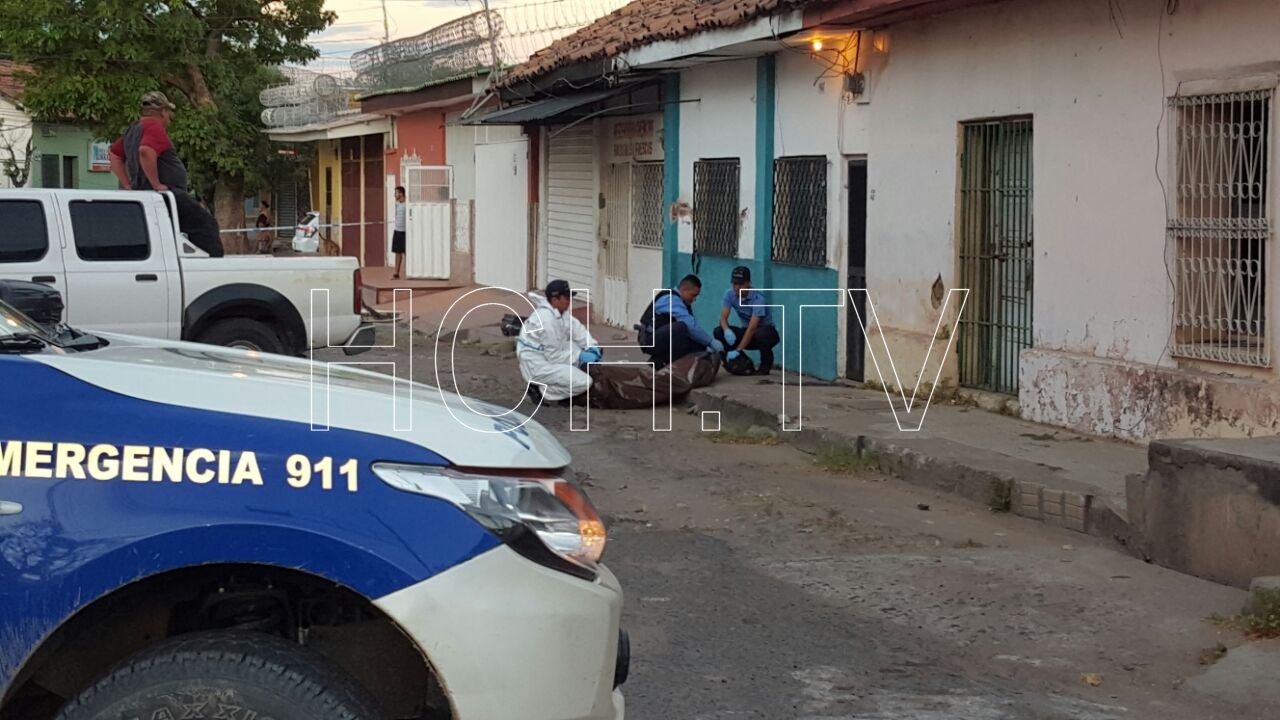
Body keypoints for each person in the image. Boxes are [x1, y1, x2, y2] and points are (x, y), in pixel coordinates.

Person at [108, 91, 223, 257]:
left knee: (168, 232)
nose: (170, 117)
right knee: (205, 224)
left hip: (145, 194)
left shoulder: (132, 130)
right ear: (162, 112)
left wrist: (127, 185)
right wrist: (156, 184)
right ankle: (211, 264)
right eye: (169, 112)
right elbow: (145, 151)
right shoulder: (154, 127)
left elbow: (114, 155)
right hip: (167, 194)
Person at [517, 280, 603, 405]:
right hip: (537, 365)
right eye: (566, 298)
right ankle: (543, 390)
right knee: (584, 382)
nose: (569, 301)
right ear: (555, 299)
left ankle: (561, 384)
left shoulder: (559, 311)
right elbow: (554, 356)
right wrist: (580, 356)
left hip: (545, 355)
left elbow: (576, 329)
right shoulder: (547, 321)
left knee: (575, 350)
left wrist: (591, 345)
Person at [646, 274, 723, 370]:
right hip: (650, 340)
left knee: (698, 344)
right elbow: (690, 325)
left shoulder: (682, 302)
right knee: (681, 327)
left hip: (660, 337)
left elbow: (694, 326)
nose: (694, 299)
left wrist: (705, 343)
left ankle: (660, 360)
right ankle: (671, 366)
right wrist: (710, 341)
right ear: (683, 289)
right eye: (693, 295)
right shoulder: (670, 299)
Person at [715, 265, 780, 375]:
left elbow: (752, 328)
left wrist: (738, 349)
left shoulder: (758, 299)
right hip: (747, 331)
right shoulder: (730, 294)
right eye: (734, 284)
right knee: (718, 331)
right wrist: (726, 330)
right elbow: (723, 317)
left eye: (741, 284)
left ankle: (765, 366)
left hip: (765, 333)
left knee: (762, 334)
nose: (737, 287)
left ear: (749, 283)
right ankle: (741, 362)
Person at [391, 186, 407, 279]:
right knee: (397, 252)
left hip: (405, 232)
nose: (394, 195)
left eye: (396, 193)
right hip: (397, 231)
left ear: (401, 194)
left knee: (406, 252)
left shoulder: (407, 205)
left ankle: (409, 271)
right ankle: (396, 273)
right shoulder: (397, 204)